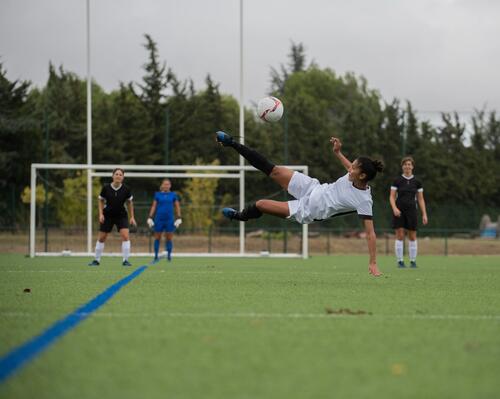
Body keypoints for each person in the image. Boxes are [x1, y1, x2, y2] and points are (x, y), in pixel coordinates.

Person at [215, 131, 384, 277]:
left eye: (354, 168)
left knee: (260, 204)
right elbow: (349, 166)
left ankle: (240, 216)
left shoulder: (364, 201)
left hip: (309, 210)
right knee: (274, 170)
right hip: (313, 187)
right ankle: (232, 143)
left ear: (362, 176)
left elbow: (370, 234)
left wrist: (373, 262)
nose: (350, 169)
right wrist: (338, 153)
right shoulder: (354, 175)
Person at [88, 168, 136, 266]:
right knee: (101, 238)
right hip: (108, 215)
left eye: (120, 175)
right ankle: (96, 260)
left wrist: (132, 217)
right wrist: (101, 214)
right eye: (116, 174)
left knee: (125, 236)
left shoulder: (126, 189)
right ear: (113, 176)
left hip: (121, 215)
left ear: (123, 177)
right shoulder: (106, 188)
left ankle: (125, 260)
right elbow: (100, 200)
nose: (118, 176)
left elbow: (130, 202)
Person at [389, 156, 428, 268]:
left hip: (412, 211)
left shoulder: (417, 182)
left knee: (412, 236)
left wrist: (424, 214)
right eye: (405, 164)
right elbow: (391, 197)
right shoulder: (397, 180)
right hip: (399, 211)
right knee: (400, 235)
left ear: (412, 166)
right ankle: (400, 261)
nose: (407, 166)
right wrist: (395, 208)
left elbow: (420, 199)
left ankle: (412, 261)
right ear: (402, 167)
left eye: (409, 164)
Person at [147, 179, 182, 263]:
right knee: (157, 237)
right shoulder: (157, 195)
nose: (166, 186)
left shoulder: (173, 195)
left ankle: (169, 256)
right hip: (159, 219)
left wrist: (179, 217)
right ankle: (155, 256)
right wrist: (150, 217)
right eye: (164, 184)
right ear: (162, 185)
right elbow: (154, 206)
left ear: (170, 186)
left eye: (168, 184)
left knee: (169, 238)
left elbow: (177, 206)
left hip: (169, 219)